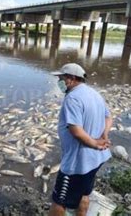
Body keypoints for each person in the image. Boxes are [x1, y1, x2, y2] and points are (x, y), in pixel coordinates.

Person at [49, 63, 113, 216]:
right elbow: (108, 117)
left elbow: (76, 131)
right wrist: (104, 136)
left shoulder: (72, 98)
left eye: (61, 78)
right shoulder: (94, 93)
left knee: (59, 201)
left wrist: (95, 143)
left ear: (70, 79)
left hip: (78, 164)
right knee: (84, 194)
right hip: (96, 160)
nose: (59, 81)